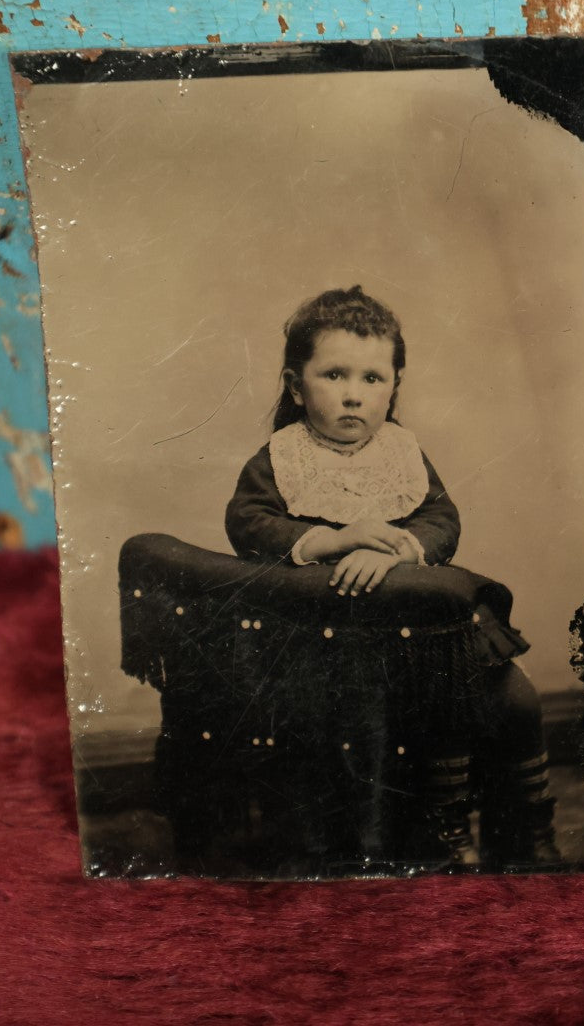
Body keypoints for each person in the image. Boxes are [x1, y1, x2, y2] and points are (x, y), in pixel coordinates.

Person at [225, 285, 560, 866]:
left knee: (513, 700)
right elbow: (248, 522)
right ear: (295, 384)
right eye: (334, 375)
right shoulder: (281, 459)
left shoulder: (402, 453)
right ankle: (438, 832)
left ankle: (523, 830)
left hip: (419, 628)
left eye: (372, 379)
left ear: (393, 389)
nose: (353, 396)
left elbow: (440, 519)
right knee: (405, 715)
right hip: (333, 638)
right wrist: (333, 539)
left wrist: (397, 552)